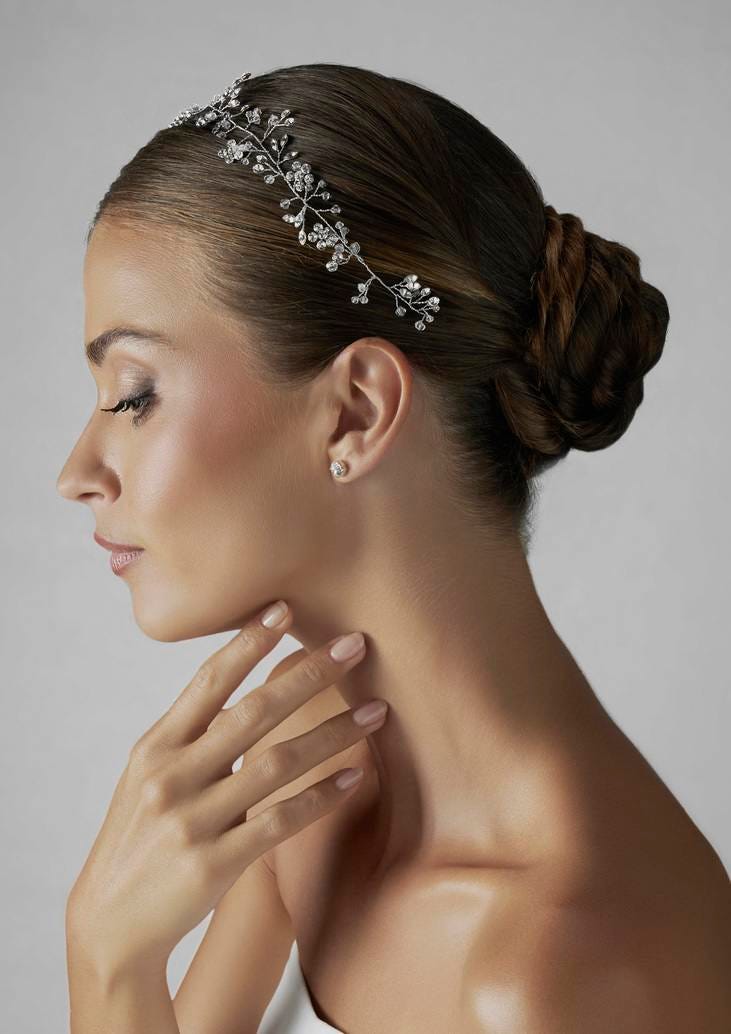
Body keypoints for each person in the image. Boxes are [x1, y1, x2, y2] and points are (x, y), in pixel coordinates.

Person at [56, 62, 730, 1033]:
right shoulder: (318, 784)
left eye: (133, 393)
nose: (78, 469)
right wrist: (108, 953)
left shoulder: (565, 976)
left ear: (355, 409)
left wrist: (107, 965)